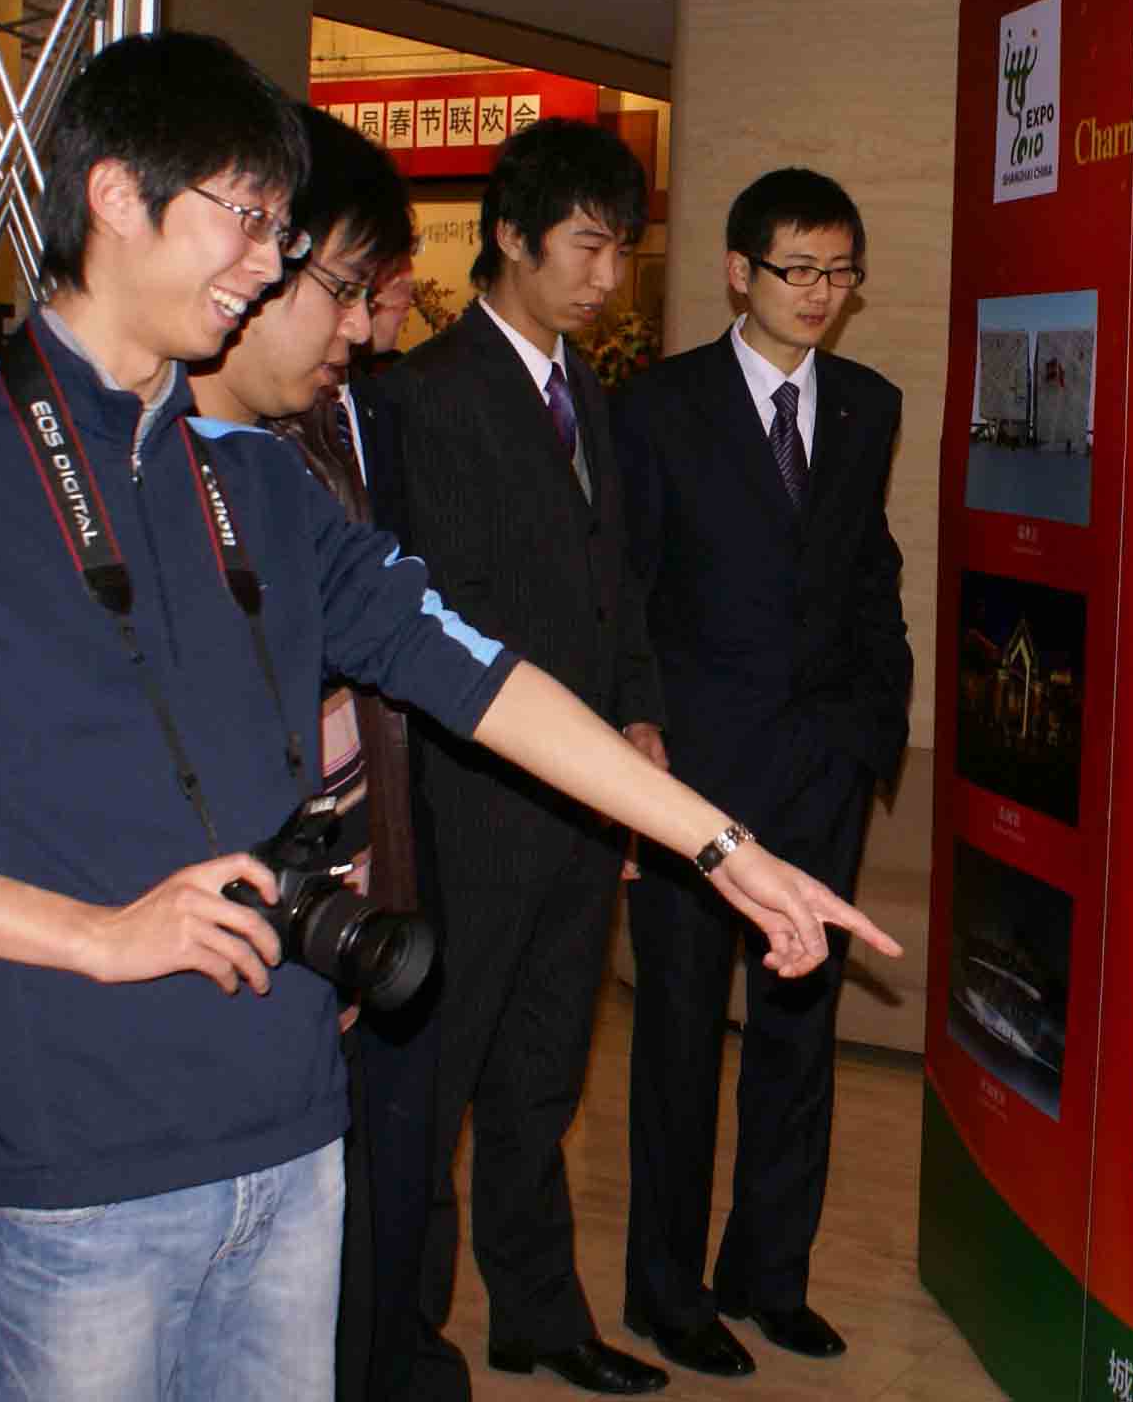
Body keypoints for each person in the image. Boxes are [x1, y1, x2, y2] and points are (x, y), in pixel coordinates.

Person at [0, 34, 896, 1402]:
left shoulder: (260, 478)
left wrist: (722, 847)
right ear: (114, 195)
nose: (268, 264)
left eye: (282, 233)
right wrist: (94, 935)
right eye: (247, 218)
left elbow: (481, 673)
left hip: (290, 1141)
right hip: (68, 1169)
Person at [382, 117, 668, 1397]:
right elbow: (454, 609)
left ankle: (539, 1312)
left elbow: (616, 582)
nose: (608, 277)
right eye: (587, 246)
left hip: (585, 792)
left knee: (545, 1069)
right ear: (509, 234)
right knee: (439, 1078)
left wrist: (637, 716)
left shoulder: (586, 390)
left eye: (623, 250)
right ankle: (408, 1339)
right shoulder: (428, 394)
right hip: (478, 796)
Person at [614, 167, 913, 1375]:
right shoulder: (658, 405)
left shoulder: (869, 404)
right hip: (695, 779)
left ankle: (769, 1274)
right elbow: (627, 587)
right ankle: (667, 1292)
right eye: (798, 269)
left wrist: (873, 726)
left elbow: (869, 571)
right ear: (740, 271)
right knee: (680, 1038)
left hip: (819, 768)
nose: (820, 293)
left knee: (798, 1036)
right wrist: (638, 730)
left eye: (840, 272)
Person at [184, 104, 435, 1402]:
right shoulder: (119, 475)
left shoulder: (281, 476)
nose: (361, 328)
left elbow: (448, 662)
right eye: (341, 285)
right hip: (158, 1052)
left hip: (307, 953)